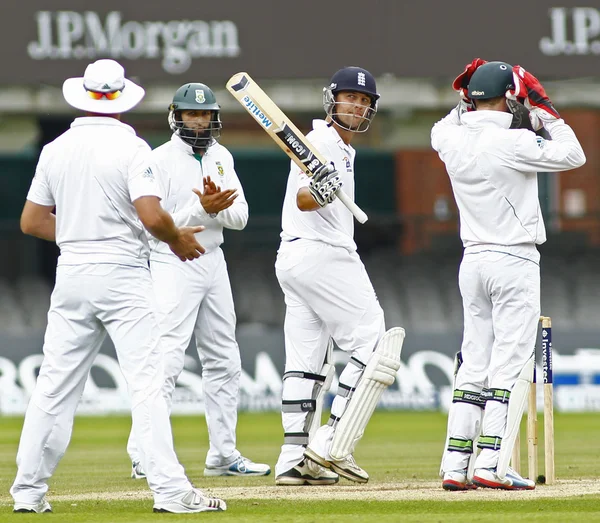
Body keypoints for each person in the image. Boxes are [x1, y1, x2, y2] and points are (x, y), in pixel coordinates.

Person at [11, 59, 227, 514]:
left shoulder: (55, 149)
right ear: (122, 101)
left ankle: (28, 492)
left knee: (53, 387)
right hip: (123, 275)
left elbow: (31, 222)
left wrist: (76, 233)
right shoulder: (133, 149)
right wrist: (177, 238)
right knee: (148, 386)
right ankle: (170, 492)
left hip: (71, 274)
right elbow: (150, 216)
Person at [432, 59, 585, 491]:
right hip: (513, 260)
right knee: (512, 364)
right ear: (510, 98)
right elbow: (574, 153)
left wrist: (469, 95)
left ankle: (455, 465)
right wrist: (540, 105)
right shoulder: (514, 141)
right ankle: (492, 464)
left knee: (473, 361)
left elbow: (450, 118)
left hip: (472, 262)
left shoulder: (449, 138)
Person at [125, 83, 270, 479]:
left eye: (206, 115)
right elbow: (159, 223)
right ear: (177, 116)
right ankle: (143, 453)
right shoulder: (158, 160)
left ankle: (223, 454)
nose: (200, 121)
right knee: (167, 358)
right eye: (192, 114)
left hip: (213, 259)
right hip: (172, 260)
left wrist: (212, 211)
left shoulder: (222, 156)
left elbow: (240, 216)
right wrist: (200, 207)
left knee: (224, 358)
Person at [273, 66, 405, 486]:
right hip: (322, 254)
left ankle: (294, 458)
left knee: (307, 362)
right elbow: (303, 197)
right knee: (375, 341)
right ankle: (332, 443)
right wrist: (322, 191)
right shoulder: (320, 143)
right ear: (332, 100)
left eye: (365, 101)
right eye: (351, 98)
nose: (358, 106)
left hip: (294, 259)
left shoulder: (341, 149)